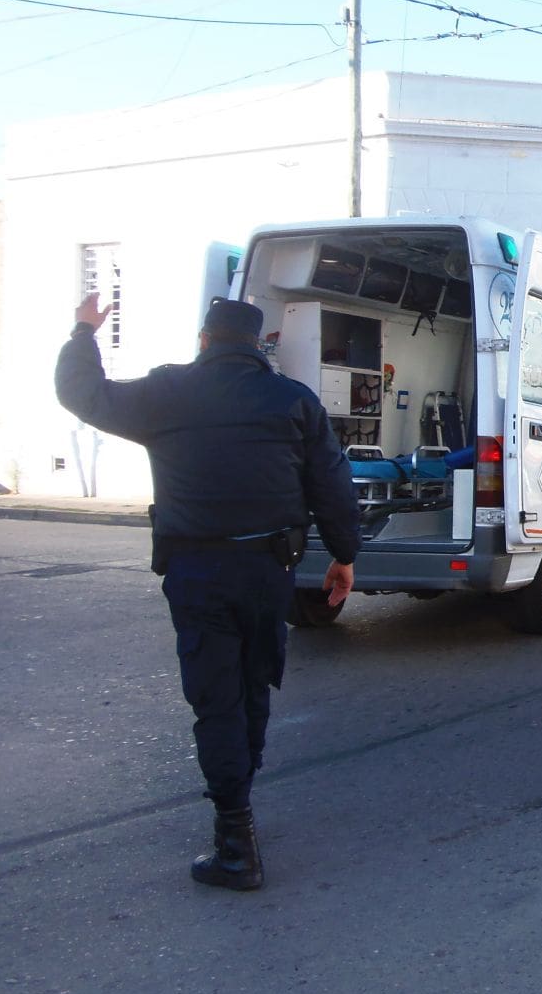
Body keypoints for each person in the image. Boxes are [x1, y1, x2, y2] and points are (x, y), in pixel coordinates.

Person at [55, 293, 359, 891]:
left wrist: (84, 331)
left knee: (216, 696)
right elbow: (332, 485)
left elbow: (83, 393)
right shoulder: (293, 400)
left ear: (203, 340)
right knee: (252, 684)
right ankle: (241, 804)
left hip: (197, 573)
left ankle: (236, 838)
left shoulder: (167, 392)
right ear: (259, 345)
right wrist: (344, 556)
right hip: (268, 572)